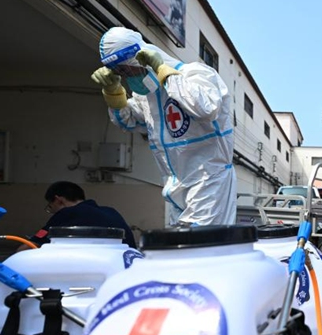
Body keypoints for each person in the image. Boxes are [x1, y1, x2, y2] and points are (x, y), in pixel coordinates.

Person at [90, 27, 236, 226]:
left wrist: (164, 72)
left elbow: (206, 108)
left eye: (125, 68)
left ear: (139, 57)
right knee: (181, 250)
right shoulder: (148, 95)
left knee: (201, 249)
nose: (126, 74)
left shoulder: (195, 73)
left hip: (208, 182)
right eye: (119, 71)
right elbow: (128, 121)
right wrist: (113, 92)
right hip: (174, 188)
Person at [25, 181, 137, 249]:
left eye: (51, 207)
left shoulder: (67, 213)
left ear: (59, 200)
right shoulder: (111, 211)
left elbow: (26, 247)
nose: (53, 212)